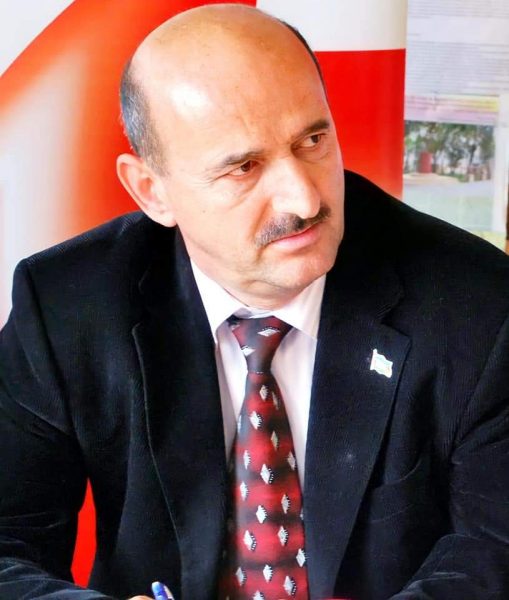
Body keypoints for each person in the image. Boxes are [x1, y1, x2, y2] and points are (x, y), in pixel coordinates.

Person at [0, 4, 508, 600]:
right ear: (151, 191)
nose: (303, 199)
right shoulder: (67, 304)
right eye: (244, 167)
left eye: (312, 140)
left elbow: (493, 552)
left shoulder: (476, 303)